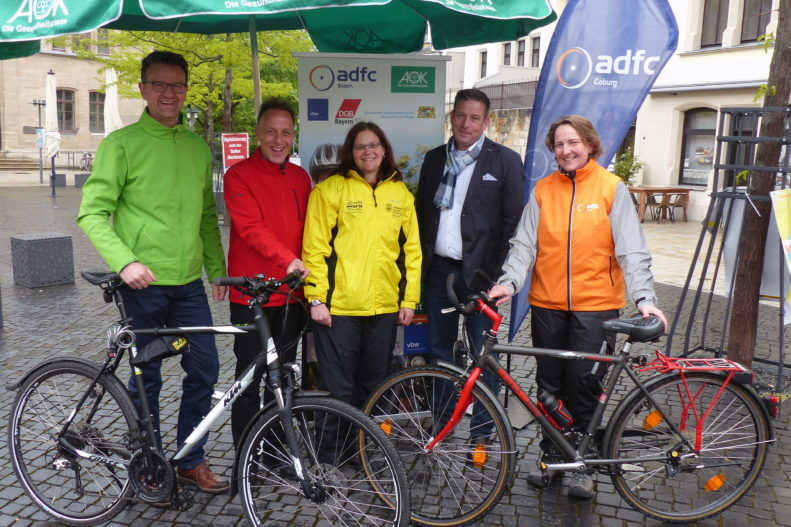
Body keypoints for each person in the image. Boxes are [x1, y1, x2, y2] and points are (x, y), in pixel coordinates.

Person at [488, 114, 668, 499]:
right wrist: (508, 283)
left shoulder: (610, 189)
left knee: (584, 387)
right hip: (547, 306)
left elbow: (632, 251)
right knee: (548, 387)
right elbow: (524, 247)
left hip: (596, 309)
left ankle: (582, 467)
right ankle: (553, 457)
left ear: (589, 144)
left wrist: (645, 300)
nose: (566, 151)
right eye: (559, 144)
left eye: (573, 143)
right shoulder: (543, 191)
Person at [77, 50, 229, 496]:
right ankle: (148, 460)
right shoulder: (121, 145)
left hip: (188, 284)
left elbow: (206, 216)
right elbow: (91, 213)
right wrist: (125, 261)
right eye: (159, 84)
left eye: (176, 85)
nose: (168, 93)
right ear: (142, 89)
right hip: (140, 285)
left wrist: (216, 270)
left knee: (205, 368)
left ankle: (188, 459)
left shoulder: (198, 147)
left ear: (185, 91)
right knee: (148, 376)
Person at [415, 88, 524, 442]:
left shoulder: (505, 161)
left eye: (474, 117)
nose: (466, 123)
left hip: (483, 278)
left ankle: (482, 431)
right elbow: (422, 215)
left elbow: (514, 223)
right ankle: (443, 422)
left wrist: (499, 276)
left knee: (483, 355)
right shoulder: (434, 159)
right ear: (452, 116)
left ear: (486, 122)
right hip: (439, 275)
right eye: (460, 115)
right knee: (439, 351)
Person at [302, 122, 421, 419]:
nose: (367, 151)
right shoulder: (330, 190)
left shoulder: (401, 194)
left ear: (383, 149)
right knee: (336, 389)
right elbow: (314, 249)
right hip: (339, 310)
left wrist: (408, 301)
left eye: (373, 145)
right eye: (360, 146)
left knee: (373, 388)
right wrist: (316, 299)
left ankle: (362, 457)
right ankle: (329, 460)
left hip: (383, 309)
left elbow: (412, 252)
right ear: (350, 152)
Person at [223, 98, 312, 449]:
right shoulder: (238, 175)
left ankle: (277, 450)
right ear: (258, 134)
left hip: (292, 295)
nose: (279, 140)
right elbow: (250, 228)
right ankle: (247, 454)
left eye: (286, 132)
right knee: (250, 377)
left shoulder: (301, 178)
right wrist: (288, 259)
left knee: (285, 376)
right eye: (271, 131)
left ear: (294, 136)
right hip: (253, 295)